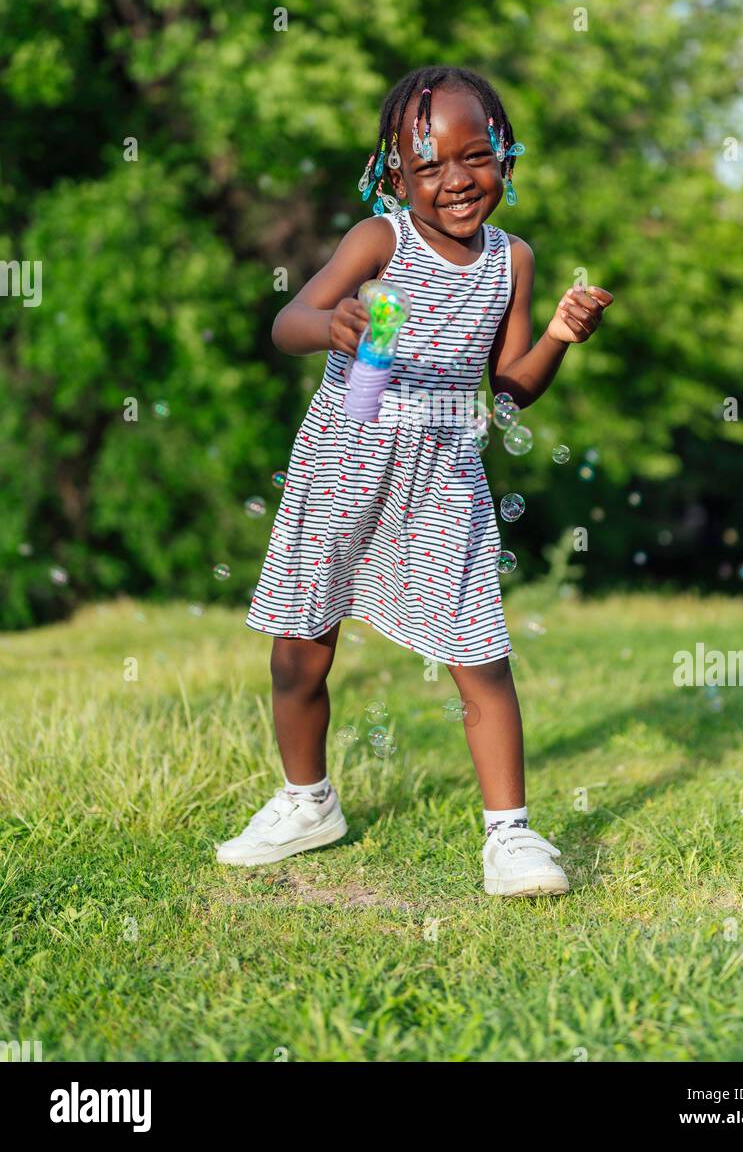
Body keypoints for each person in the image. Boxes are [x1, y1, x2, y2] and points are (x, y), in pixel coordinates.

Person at [216, 65, 612, 896]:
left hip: (444, 471)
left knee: (480, 649)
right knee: (300, 647)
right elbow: (287, 322)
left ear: (505, 157)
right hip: (345, 456)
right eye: (429, 166)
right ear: (395, 177)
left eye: (476, 157)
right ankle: (307, 801)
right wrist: (333, 323)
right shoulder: (380, 241)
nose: (455, 179)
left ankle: (510, 835)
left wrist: (559, 335)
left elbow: (510, 388)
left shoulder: (513, 260)